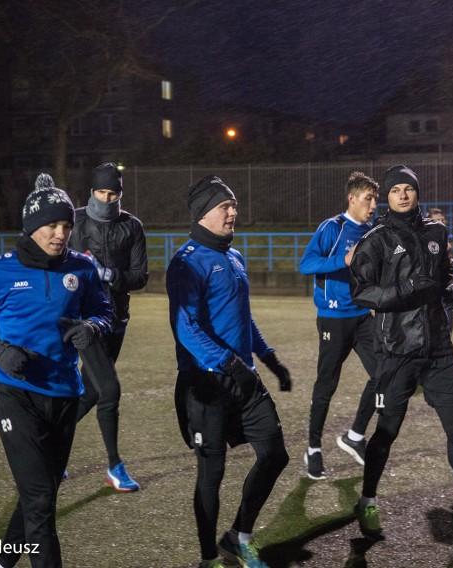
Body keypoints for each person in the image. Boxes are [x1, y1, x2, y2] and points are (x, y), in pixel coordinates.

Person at [0, 174, 113, 568]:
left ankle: (1, 562)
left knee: (39, 495)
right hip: (16, 394)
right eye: (51, 225)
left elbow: (103, 311)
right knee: (41, 498)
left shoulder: (83, 267)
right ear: (31, 227)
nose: (61, 233)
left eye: (66, 225)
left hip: (64, 395)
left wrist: (92, 327)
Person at [348, 165, 453, 546]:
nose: (403, 194)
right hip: (396, 352)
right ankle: (367, 499)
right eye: (396, 189)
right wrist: (403, 289)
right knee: (387, 431)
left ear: (417, 193)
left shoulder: (436, 231)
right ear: (387, 196)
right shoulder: (376, 240)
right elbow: (362, 292)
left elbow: (449, 272)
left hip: (438, 351)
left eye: (408, 189)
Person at [166, 175, 292, 568]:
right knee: (212, 472)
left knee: (275, 455)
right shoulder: (186, 263)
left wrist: (269, 359)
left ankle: (238, 535)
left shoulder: (233, 257)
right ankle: (208, 558)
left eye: (234, 205)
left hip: (244, 378)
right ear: (204, 213)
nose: (233, 212)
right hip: (206, 384)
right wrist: (227, 364)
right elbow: (186, 327)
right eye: (225, 206)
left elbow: (242, 318)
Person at [68, 162, 148, 492]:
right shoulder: (74, 219)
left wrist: (113, 276)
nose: (105, 197)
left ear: (119, 194)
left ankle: (47, 446)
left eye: (111, 193)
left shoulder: (131, 226)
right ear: (92, 191)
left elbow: (141, 276)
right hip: (84, 320)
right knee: (110, 390)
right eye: (100, 192)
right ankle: (115, 466)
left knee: (90, 392)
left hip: (117, 319)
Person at [298, 171, 380, 480]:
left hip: (362, 317)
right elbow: (306, 264)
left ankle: (355, 436)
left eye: (375, 199)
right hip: (333, 318)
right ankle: (313, 449)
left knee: (384, 373)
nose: (373, 205)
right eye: (368, 199)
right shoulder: (332, 228)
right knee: (327, 384)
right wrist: (341, 261)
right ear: (352, 199)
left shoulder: (373, 231)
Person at [427, 207, 453, 334]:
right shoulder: (425, 239)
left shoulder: (446, 238)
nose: (441, 222)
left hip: (445, 286)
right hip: (430, 289)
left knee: (448, 322)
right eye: (436, 220)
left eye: (442, 219)